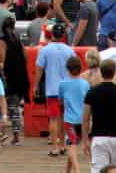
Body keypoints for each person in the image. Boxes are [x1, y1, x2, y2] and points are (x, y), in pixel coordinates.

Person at [82, 59, 116, 173]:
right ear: (114, 72)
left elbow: (85, 119)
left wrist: (85, 140)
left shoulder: (92, 92)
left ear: (101, 72)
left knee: (98, 170)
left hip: (99, 137)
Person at [36, 23, 76, 157]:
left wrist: (36, 86)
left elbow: (39, 70)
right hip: (68, 88)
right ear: (64, 35)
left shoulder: (45, 50)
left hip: (52, 89)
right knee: (65, 118)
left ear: (52, 34)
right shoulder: (69, 50)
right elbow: (75, 68)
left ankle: (54, 147)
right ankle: (64, 145)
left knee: (53, 119)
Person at [0, 16, 29, 146]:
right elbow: (26, 58)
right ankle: (16, 137)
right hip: (20, 78)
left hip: (7, 78)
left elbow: (1, 63)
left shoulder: (1, 42)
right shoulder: (18, 40)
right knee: (14, 108)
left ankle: (1, 133)